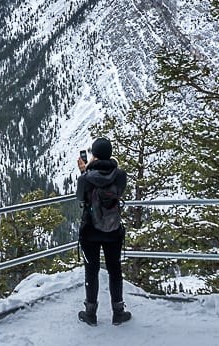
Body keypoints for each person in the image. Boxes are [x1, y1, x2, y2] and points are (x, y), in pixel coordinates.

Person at [75, 136, 131, 326]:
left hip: (90, 230)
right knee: (115, 269)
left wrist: (84, 171)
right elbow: (119, 192)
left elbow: (80, 198)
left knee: (92, 270)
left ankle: (90, 313)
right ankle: (118, 312)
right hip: (113, 230)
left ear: (95, 156)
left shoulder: (85, 178)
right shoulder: (120, 175)